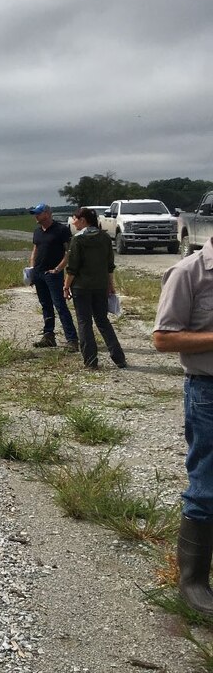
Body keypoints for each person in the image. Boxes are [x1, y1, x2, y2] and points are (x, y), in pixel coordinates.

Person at [152, 235, 213, 615]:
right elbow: (163, 338)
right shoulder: (189, 273)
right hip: (208, 391)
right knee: (207, 484)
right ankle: (191, 582)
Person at [63, 207, 126, 370]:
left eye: (75, 218)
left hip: (81, 287)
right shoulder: (105, 237)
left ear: (83, 220)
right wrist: (110, 285)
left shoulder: (78, 239)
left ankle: (90, 361)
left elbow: (73, 267)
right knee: (103, 321)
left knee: (84, 323)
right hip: (100, 286)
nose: (73, 221)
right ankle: (119, 358)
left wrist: (66, 286)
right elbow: (109, 265)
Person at [28, 202, 79, 352]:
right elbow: (35, 250)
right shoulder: (37, 232)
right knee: (46, 306)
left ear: (48, 213)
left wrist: (58, 269)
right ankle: (48, 336)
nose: (36, 216)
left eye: (38, 213)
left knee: (60, 306)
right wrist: (31, 270)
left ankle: (72, 339)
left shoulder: (61, 230)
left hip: (53, 275)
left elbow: (69, 252)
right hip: (38, 274)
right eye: (35, 213)